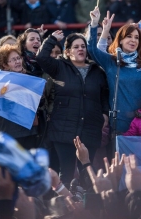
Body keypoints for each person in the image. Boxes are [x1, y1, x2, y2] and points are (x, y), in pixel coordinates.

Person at [36, 30, 109, 186]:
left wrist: (104, 113)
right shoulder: (59, 67)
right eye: (76, 47)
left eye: (83, 46)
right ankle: (65, 205)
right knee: (66, 173)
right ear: (67, 52)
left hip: (90, 128)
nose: (81, 49)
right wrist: (52, 39)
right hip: (64, 129)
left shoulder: (97, 71)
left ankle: (88, 207)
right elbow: (41, 58)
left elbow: (103, 95)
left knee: (87, 173)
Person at [87, 7, 141, 134]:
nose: (133, 40)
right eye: (129, 36)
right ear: (120, 39)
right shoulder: (111, 61)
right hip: (119, 122)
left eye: (137, 37)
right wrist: (94, 23)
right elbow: (92, 49)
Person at [0, 44, 39, 149]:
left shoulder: (29, 79)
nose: (17, 61)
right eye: (13, 60)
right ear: (4, 65)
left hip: (29, 133)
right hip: (10, 134)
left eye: (18, 58)